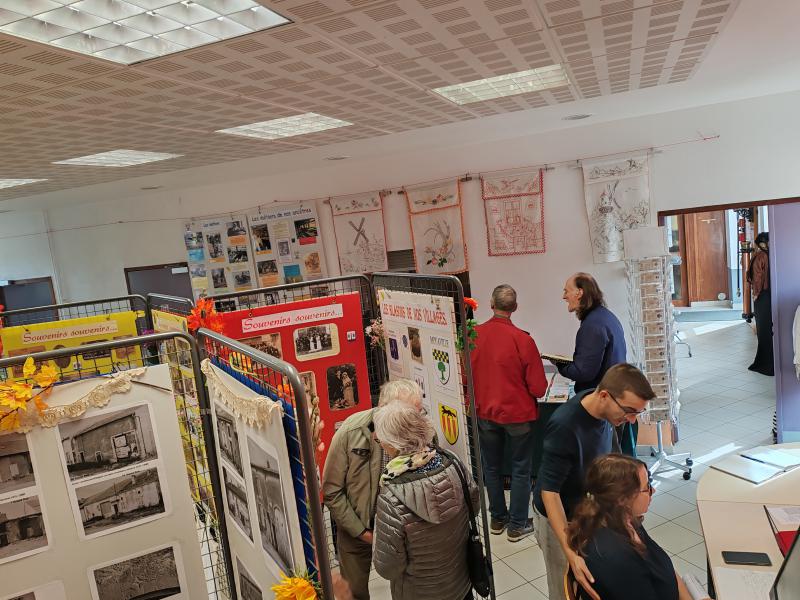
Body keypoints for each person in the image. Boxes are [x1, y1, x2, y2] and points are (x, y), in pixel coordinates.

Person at [532, 363, 656, 600]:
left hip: (585, 510)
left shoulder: (607, 412)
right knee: (565, 588)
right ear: (604, 396)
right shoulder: (565, 426)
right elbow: (550, 493)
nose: (631, 420)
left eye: (637, 414)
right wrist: (570, 553)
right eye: (629, 411)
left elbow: (612, 460)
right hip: (558, 516)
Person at [322, 379, 425, 600]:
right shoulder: (351, 431)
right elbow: (331, 491)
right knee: (354, 593)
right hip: (357, 532)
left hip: (405, 535)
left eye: (418, 413)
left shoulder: (418, 432)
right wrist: (362, 532)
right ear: (383, 410)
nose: (416, 421)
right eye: (409, 414)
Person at [372, 402, 478, 600]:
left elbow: (388, 567)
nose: (377, 440)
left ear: (392, 444)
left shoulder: (391, 496)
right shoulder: (453, 463)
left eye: (379, 438)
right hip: (460, 583)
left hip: (418, 593)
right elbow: (474, 506)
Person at [566, 454, 709, 600]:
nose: (653, 491)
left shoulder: (625, 520)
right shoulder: (615, 559)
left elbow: (663, 567)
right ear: (622, 499)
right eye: (647, 488)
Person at [470, 284, 548, 541]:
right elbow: (538, 388)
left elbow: (464, 377)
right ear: (514, 308)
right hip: (518, 415)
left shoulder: (472, 336)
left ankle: (497, 518)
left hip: (485, 412)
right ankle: (517, 525)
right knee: (521, 469)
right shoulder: (523, 340)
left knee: (491, 468)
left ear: (491, 304)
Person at [550, 273, 633, 455]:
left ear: (580, 293)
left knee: (606, 461)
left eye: (567, 291)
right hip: (615, 397)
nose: (564, 296)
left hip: (604, 405)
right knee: (613, 456)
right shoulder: (605, 316)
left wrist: (560, 365)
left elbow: (584, 372)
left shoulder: (592, 325)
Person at [748, 232, 774, 376]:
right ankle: (770, 363)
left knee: (763, 331)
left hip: (762, 296)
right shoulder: (772, 255)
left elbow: (757, 277)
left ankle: (765, 365)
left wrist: (756, 293)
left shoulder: (760, 256)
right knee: (768, 330)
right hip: (771, 294)